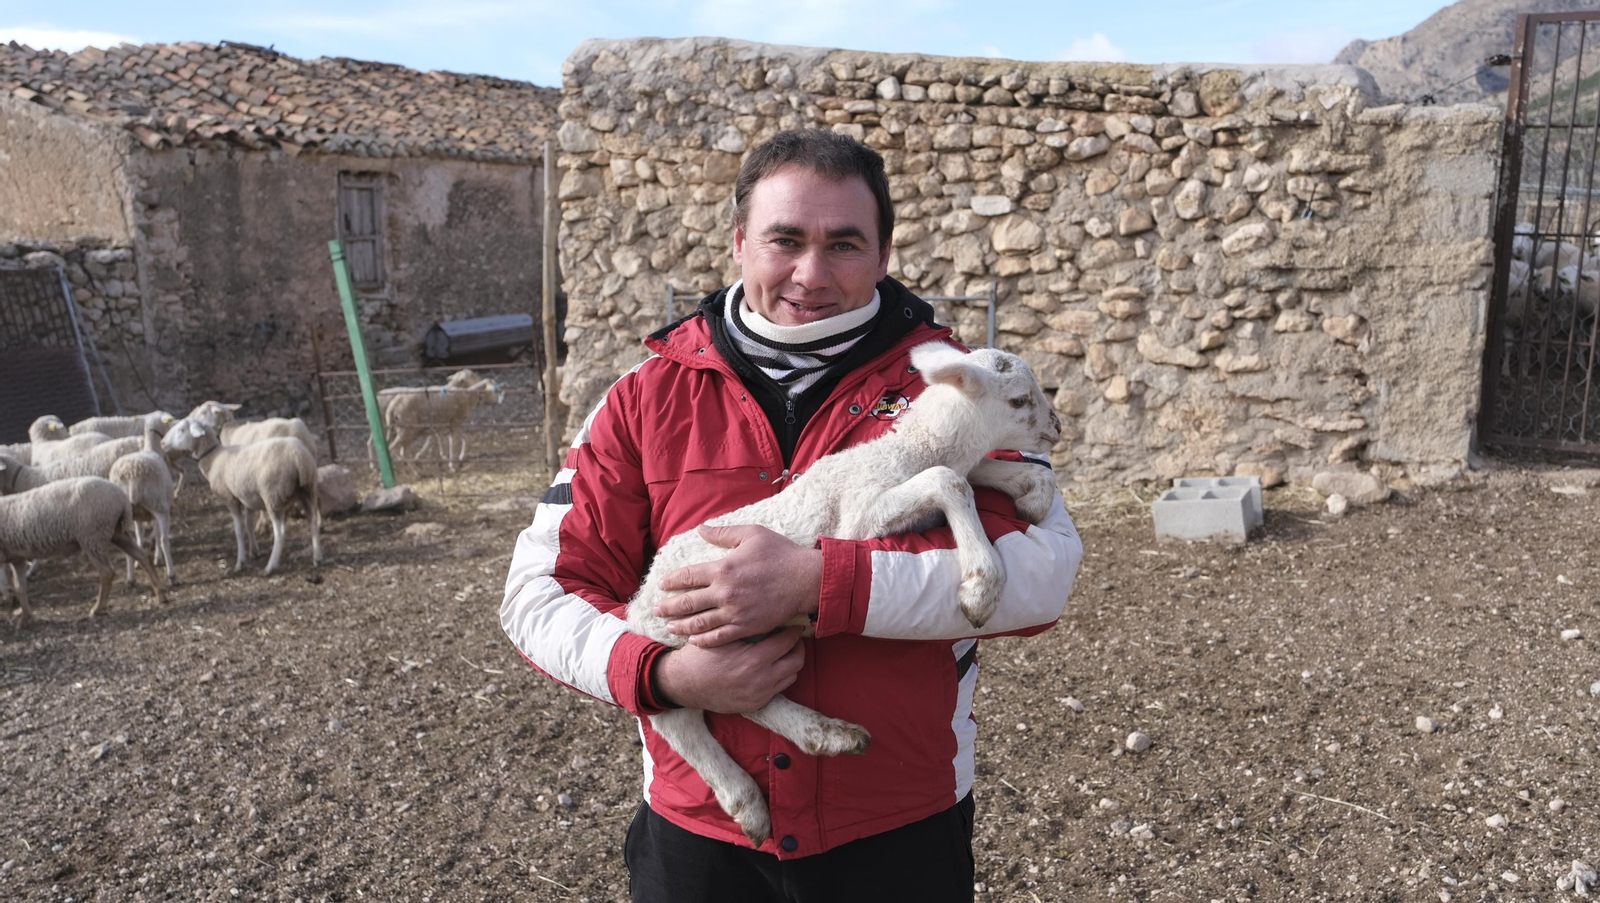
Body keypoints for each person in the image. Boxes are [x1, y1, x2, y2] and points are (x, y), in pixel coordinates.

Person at [501, 129, 1082, 902]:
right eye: (785, 240)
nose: (811, 273)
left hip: (895, 827)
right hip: (699, 839)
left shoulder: (960, 389)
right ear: (740, 242)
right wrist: (665, 673)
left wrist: (819, 580)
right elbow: (541, 591)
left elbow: (1042, 572)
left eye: (844, 244)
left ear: (883, 254)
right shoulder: (643, 400)